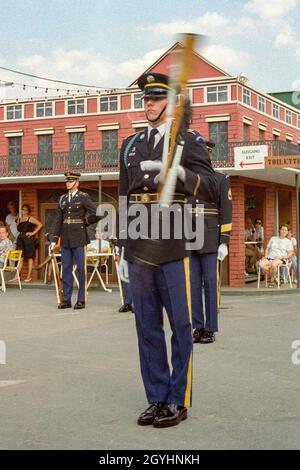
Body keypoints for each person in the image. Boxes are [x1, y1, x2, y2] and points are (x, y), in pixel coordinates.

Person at [118, 72, 217, 428]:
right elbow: (125, 196)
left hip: (175, 245)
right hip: (141, 246)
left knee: (180, 324)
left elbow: (210, 187)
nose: (149, 104)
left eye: (157, 99)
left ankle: (179, 398)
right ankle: (157, 397)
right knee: (147, 327)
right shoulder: (130, 146)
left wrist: (179, 174)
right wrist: (123, 248)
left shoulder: (187, 142)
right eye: (146, 99)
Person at [192, 140, 232, 345]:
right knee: (193, 285)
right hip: (189, 237)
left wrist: (224, 241)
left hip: (210, 238)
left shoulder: (220, 178)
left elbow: (226, 211)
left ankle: (210, 327)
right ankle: (197, 325)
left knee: (209, 283)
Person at [50, 172, 101, 309]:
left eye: (71, 181)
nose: (68, 183)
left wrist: (85, 222)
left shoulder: (83, 197)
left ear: (77, 183)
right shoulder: (63, 199)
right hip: (66, 237)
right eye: (67, 181)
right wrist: (54, 239)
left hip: (79, 236)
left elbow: (98, 213)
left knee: (81, 269)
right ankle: (66, 299)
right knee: (66, 268)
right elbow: (58, 220)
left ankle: (81, 299)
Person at [11, 204, 42, 282]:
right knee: (20, 257)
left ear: (28, 211)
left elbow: (40, 224)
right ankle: (16, 276)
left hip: (28, 239)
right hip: (20, 238)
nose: (23, 211)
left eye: (25, 209)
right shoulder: (19, 219)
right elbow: (18, 229)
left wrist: (33, 233)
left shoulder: (30, 218)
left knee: (29, 257)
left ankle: (28, 276)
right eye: (22, 209)